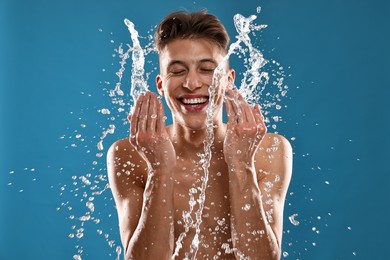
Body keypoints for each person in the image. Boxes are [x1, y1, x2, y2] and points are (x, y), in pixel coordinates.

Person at [107, 10, 292, 260]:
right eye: (178, 71)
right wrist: (159, 170)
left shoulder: (269, 150)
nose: (192, 83)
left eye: (206, 69)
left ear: (228, 80)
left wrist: (241, 164)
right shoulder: (131, 153)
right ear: (161, 84)